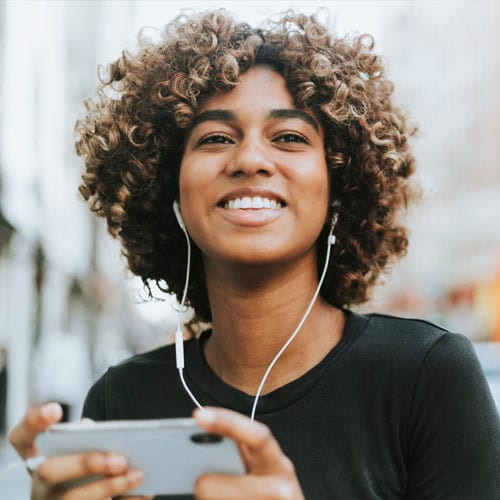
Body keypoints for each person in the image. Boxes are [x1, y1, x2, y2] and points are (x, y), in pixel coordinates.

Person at [9, 10, 500, 500]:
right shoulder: (121, 399)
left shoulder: (426, 376)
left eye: (289, 137)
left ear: (339, 186)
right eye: (216, 138)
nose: (249, 160)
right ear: (168, 189)